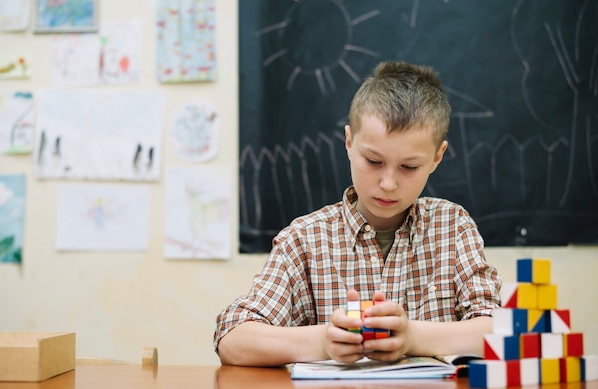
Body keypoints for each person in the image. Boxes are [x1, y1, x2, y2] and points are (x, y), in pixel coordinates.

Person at [214, 61, 502, 367]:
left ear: (437, 157)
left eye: (409, 167)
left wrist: (412, 338)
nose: (388, 183)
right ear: (349, 143)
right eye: (373, 161)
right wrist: (325, 340)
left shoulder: (452, 227)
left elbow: (499, 330)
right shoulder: (305, 240)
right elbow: (232, 338)